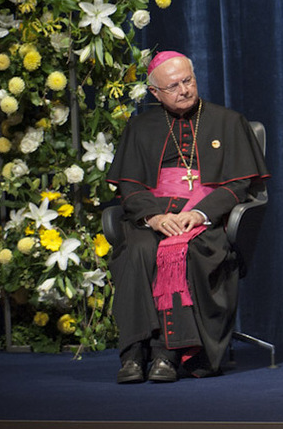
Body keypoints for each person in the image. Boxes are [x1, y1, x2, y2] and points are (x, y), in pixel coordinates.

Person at [107, 51, 269, 383]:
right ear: (155, 93)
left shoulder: (228, 121)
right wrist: (152, 218)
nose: (184, 90)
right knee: (137, 250)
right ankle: (135, 354)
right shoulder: (140, 127)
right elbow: (128, 185)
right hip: (153, 216)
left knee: (186, 252)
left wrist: (199, 212)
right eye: (173, 86)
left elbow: (240, 183)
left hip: (205, 217)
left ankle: (171, 354)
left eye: (188, 80)